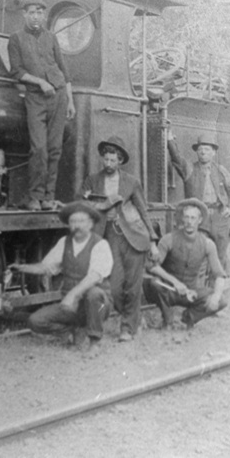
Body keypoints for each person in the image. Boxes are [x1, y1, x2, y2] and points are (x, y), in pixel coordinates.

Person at [80, 136, 159, 342]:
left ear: (120, 161)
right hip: (109, 237)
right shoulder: (92, 181)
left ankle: (127, 328)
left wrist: (152, 240)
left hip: (133, 236)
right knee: (115, 287)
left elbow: (143, 210)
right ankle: (134, 319)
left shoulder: (131, 182)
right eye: (105, 160)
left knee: (133, 286)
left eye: (113, 160)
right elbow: (84, 206)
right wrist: (104, 205)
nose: (108, 164)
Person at [9, 201, 113, 352]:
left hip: (99, 305)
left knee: (93, 293)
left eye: (81, 221)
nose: (77, 226)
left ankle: (94, 342)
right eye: (73, 221)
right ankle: (72, 332)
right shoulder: (64, 242)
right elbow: (47, 267)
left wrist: (73, 294)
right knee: (35, 321)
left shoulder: (100, 245)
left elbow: (94, 277)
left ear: (90, 224)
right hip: (72, 306)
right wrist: (22, 268)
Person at [8, 0, 76, 211]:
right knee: (39, 148)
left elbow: (64, 72)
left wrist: (70, 101)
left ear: (43, 15)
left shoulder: (51, 37)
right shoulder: (16, 39)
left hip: (59, 97)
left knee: (55, 149)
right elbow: (17, 71)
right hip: (35, 97)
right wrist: (40, 82)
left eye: (39, 12)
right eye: (31, 12)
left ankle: (48, 197)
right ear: (24, 15)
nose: (36, 16)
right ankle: (35, 197)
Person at [144, 199, 227, 329]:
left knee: (221, 301)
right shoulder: (169, 239)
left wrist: (216, 297)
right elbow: (152, 266)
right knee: (153, 283)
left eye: (193, 218)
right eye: (187, 217)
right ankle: (168, 320)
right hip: (169, 290)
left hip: (191, 292)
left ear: (199, 220)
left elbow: (220, 275)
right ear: (182, 219)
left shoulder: (207, 244)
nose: (189, 222)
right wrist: (174, 282)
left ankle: (187, 319)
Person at [167, 131, 230, 274]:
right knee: (197, 254)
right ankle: (200, 288)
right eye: (200, 150)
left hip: (218, 216)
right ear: (197, 153)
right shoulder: (189, 169)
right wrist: (170, 141)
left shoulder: (220, 170)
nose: (203, 152)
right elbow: (177, 158)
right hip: (199, 219)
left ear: (213, 152)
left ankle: (216, 289)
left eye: (207, 149)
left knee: (220, 255)